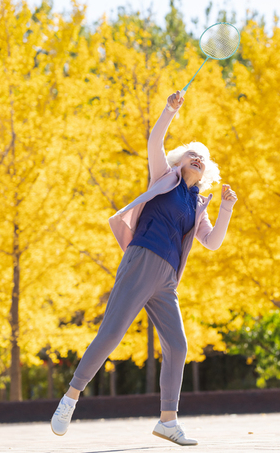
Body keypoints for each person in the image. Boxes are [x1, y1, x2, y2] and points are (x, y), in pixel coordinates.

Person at [50, 90, 237, 446]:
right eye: (191, 155)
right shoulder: (163, 177)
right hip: (141, 260)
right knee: (111, 335)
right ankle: (70, 398)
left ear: (206, 171)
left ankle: (168, 420)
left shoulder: (198, 204)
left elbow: (211, 242)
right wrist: (170, 110)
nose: (197, 158)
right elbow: (156, 140)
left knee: (178, 346)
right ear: (180, 161)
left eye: (202, 159)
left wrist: (226, 208)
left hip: (166, 279)